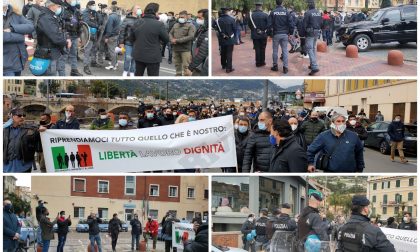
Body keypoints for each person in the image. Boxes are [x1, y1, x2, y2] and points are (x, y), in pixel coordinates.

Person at [132, 2, 169, 76]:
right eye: (158, 12)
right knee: (153, 77)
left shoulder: (137, 22)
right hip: (153, 57)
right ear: (155, 12)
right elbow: (166, 39)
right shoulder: (159, 24)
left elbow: (132, 38)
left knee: (138, 75)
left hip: (139, 54)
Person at [36, 0, 70, 76]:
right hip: (48, 53)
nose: (60, 8)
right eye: (58, 6)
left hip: (52, 52)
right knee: (51, 75)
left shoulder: (51, 16)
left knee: (54, 73)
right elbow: (55, 36)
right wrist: (66, 42)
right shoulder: (46, 18)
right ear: (52, 6)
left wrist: (66, 38)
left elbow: (60, 30)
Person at [3, 108, 41, 173]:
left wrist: (40, 129)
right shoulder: (4, 129)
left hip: (24, 166)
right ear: (12, 116)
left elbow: (36, 128)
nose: (22, 117)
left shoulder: (31, 129)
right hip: (6, 166)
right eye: (19, 115)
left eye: (24, 115)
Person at [3, 0, 34, 76]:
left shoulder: (15, 14)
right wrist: (20, 37)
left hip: (18, 60)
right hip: (5, 63)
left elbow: (30, 26)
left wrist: (12, 29)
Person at [57, 0, 83, 76]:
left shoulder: (76, 10)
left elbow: (80, 24)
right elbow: (60, 25)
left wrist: (79, 36)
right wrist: (67, 37)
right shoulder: (62, 9)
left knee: (74, 54)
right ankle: (61, 74)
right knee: (64, 55)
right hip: (66, 36)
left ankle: (74, 71)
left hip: (75, 35)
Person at [268, 0, 294, 74]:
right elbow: (291, 24)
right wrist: (291, 33)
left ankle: (275, 66)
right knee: (285, 50)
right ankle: (285, 67)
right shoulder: (287, 12)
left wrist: (270, 34)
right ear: (282, 3)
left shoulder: (273, 12)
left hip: (276, 34)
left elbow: (269, 24)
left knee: (275, 50)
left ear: (276, 3)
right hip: (285, 34)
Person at [170, 10, 195, 76]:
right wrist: (171, 39)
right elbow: (170, 33)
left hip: (185, 50)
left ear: (186, 17)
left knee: (186, 66)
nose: (181, 18)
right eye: (180, 17)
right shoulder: (175, 25)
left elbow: (190, 36)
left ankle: (186, 78)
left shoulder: (190, 26)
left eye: (182, 17)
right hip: (176, 49)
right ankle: (178, 76)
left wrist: (177, 40)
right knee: (177, 65)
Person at [119, 5, 141, 77]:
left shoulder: (141, 20)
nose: (139, 10)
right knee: (128, 57)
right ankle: (125, 71)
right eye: (138, 8)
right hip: (128, 42)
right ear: (133, 10)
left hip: (137, 43)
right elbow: (122, 31)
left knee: (134, 58)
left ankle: (132, 71)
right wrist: (121, 42)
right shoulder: (127, 19)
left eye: (140, 8)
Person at [186, 9, 208, 76]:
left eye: (201, 18)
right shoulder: (202, 28)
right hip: (195, 58)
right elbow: (194, 40)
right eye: (198, 18)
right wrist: (191, 52)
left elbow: (202, 52)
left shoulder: (207, 31)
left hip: (200, 64)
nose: (199, 20)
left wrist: (190, 67)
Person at [82, 0, 102, 75]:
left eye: (94, 5)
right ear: (88, 5)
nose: (94, 6)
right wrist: (96, 25)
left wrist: (98, 14)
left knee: (94, 49)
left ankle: (93, 62)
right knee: (87, 51)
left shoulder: (94, 12)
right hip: (88, 34)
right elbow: (86, 22)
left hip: (94, 34)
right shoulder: (85, 13)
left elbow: (99, 21)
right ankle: (86, 66)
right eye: (93, 5)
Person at [304, 0, 322, 75]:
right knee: (313, 48)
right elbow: (321, 22)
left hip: (310, 32)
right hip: (317, 31)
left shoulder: (308, 13)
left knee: (310, 49)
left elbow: (304, 24)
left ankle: (314, 66)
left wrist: (304, 32)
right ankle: (312, 64)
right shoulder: (318, 12)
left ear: (309, 5)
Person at [249, 1, 269, 67]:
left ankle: (257, 63)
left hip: (255, 35)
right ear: (261, 7)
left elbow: (249, 25)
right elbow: (268, 25)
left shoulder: (251, 15)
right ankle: (262, 62)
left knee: (257, 49)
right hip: (263, 34)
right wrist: (264, 31)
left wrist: (254, 30)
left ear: (256, 6)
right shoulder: (265, 15)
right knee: (263, 48)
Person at [216, 7, 235, 73]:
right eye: (229, 11)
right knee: (229, 54)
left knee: (223, 53)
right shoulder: (232, 19)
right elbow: (234, 29)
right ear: (227, 12)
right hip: (230, 39)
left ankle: (223, 65)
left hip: (222, 38)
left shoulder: (218, 20)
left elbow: (215, 26)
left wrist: (221, 33)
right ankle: (228, 68)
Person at [103, 5, 120, 70]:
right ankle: (115, 62)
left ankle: (113, 65)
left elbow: (109, 28)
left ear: (111, 9)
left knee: (112, 51)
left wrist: (107, 37)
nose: (107, 10)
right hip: (116, 35)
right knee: (115, 50)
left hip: (111, 36)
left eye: (108, 9)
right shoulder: (117, 16)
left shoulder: (111, 17)